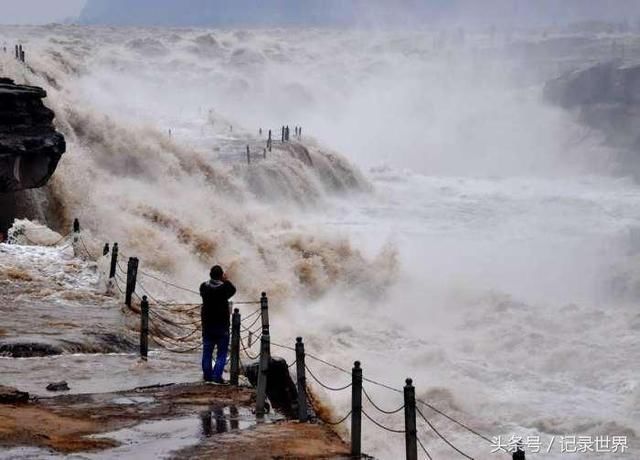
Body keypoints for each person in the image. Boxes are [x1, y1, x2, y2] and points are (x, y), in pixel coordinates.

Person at [200, 265, 236, 383]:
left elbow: (203, 292)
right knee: (222, 353)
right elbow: (233, 290)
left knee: (207, 352)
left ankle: (207, 376)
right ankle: (216, 377)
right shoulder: (224, 288)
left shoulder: (204, 287)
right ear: (221, 276)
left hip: (208, 325)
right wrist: (225, 280)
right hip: (222, 325)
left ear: (210, 274)